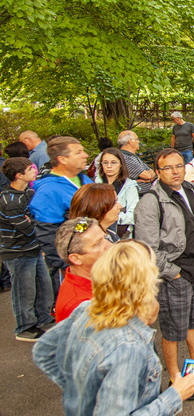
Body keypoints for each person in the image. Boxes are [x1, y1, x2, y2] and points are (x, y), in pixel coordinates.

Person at [33, 241, 194, 414]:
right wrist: (176, 394)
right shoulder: (128, 348)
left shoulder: (87, 308)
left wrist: (80, 394)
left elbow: (43, 350)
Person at [134, 148, 194, 398]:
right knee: (173, 328)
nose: (175, 172)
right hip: (175, 273)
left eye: (178, 166)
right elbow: (148, 249)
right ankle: (175, 378)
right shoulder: (150, 202)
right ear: (157, 171)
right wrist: (173, 273)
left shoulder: (191, 190)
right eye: (167, 168)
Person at [29, 136, 91, 298]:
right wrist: (64, 267)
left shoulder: (84, 179)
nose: (85, 155)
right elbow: (48, 235)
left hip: (92, 259)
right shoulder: (48, 190)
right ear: (62, 159)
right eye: (78, 152)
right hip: (73, 267)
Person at [0, 157, 54, 341]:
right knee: (24, 290)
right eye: (30, 168)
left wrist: (36, 219)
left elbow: (39, 215)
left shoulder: (28, 192)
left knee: (43, 286)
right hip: (17, 251)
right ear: (19, 175)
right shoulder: (9, 200)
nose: (34, 170)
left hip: (33, 248)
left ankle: (43, 318)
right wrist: (36, 220)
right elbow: (29, 228)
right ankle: (25, 327)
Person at [52, 217, 113, 322]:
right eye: (98, 243)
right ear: (76, 259)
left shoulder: (98, 277)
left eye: (105, 238)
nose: (110, 245)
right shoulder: (81, 306)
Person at [93, 148, 139, 239]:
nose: (109, 166)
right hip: (96, 232)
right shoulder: (94, 184)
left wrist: (110, 217)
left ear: (121, 164)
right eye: (105, 163)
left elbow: (134, 215)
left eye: (113, 162)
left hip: (121, 234)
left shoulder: (129, 186)